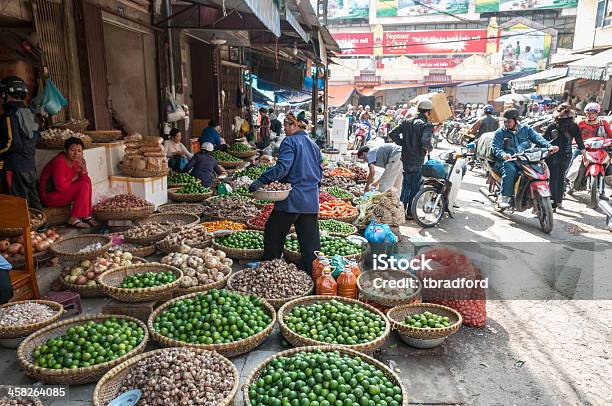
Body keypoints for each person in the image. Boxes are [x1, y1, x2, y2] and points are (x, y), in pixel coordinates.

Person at [248, 110, 322, 276]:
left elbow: (282, 168)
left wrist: (262, 180)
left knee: (273, 233)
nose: (284, 129)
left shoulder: (289, 142)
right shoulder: (314, 145)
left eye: (286, 125)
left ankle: (269, 271)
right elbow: (319, 172)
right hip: (310, 201)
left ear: (294, 125)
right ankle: (314, 278)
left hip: (292, 200)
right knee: (310, 246)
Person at [492, 108, 558, 209]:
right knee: (510, 170)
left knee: (540, 169)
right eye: (505, 121)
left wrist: (549, 146)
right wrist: (503, 154)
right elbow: (496, 147)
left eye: (509, 121)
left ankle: (538, 195)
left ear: (515, 120)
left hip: (525, 158)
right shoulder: (500, 133)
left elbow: (537, 138)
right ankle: (504, 197)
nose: (506, 123)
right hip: (509, 160)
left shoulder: (525, 129)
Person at [0, 76, 42, 210]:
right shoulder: (30, 113)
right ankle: (43, 229)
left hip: (15, 168)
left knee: (18, 206)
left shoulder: (9, 115)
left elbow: (11, 143)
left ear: (5, 94)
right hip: (30, 166)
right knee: (34, 203)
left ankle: (26, 231)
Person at [388, 99, 434, 216]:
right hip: (417, 159)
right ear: (428, 112)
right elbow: (425, 141)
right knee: (415, 186)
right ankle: (410, 212)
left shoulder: (407, 121)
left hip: (406, 157)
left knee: (406, 185)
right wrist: (430, 148)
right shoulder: (426, 125)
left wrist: (403, 143)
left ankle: (401, 211)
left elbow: (392, 133)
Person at [39, 137, 97, 228]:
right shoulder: (59, 161)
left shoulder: (77, 161)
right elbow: (60, 187)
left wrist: (84, 170)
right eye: (72, 150)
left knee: (86, 180)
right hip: (50, 196)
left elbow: (83, 178)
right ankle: (73, 218)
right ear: (65, 150)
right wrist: (75, 177)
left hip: (63, 191)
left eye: (79, 151)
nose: (76, 154)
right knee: (83, 185)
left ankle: (86, 214)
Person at [543, 104, 585, 209]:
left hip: (553, 155)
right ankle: (559, 202)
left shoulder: (552, 126)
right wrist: (586, 156)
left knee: (553, 178)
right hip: (567, 155)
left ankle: (552, 203)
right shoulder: (575, 126)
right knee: (561, 177)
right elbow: (580, 143)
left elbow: (542, 141)